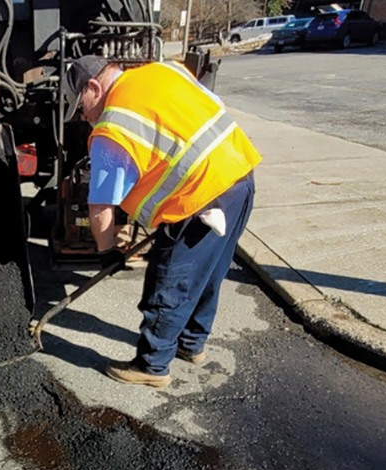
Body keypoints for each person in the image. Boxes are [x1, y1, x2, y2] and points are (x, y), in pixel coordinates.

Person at [63, 55, 262, 388]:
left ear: (94, 87)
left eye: (81, 106)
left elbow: (100, 207)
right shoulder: (163, 69)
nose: (83, 117)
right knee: (209, 273)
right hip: (240, 176)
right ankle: (191, 345)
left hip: (199, 202)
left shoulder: (112, 127)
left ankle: (152, 366)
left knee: (169, 282)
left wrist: (107, 250)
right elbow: (215, 104)